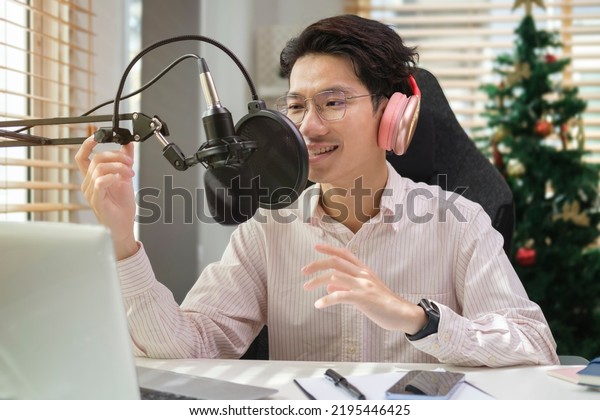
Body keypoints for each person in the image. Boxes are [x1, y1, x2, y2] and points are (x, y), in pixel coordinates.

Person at [75, 14, 559, 366]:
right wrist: (122, 242)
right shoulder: (269, 228)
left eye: (332, 102)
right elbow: (189, 346)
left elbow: (534, 343)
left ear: (393, 116)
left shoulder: (459, 221)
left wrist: (416, 318)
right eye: (297, 106)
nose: (308, 127)